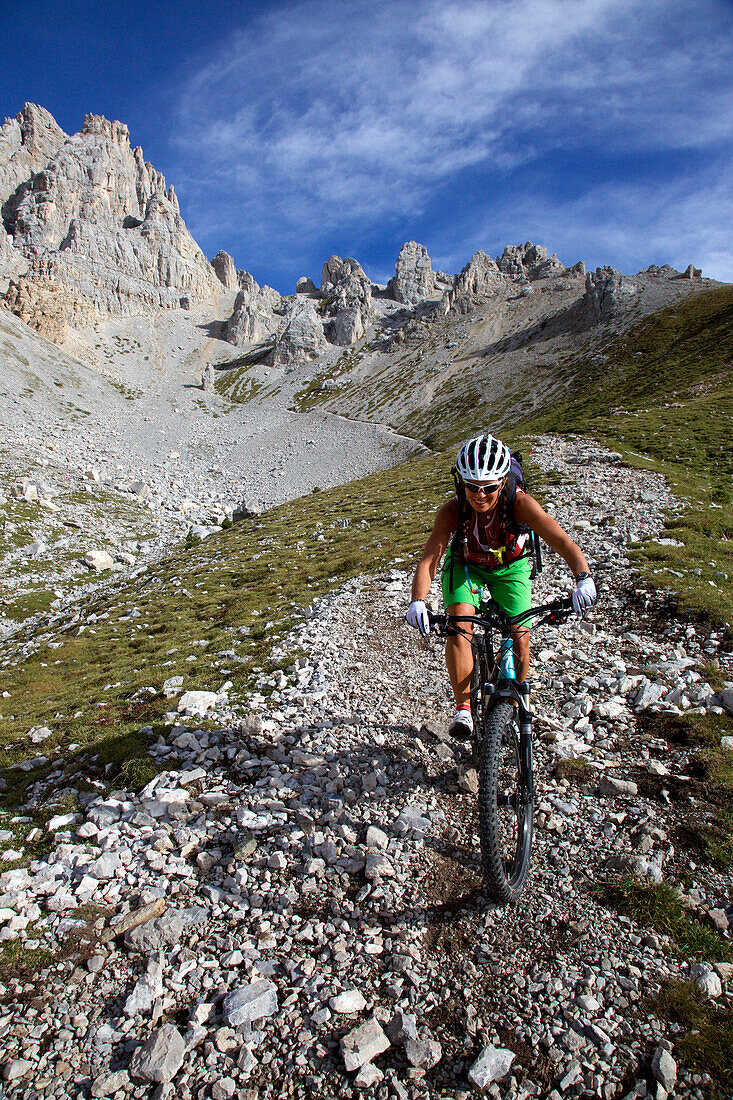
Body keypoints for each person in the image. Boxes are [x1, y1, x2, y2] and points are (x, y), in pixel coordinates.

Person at [406, 432, 597, 738]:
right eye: (471, 487)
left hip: (511, 567)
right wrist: (418, 600)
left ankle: (520, 701)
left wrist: (583, 578)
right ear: (460, 483)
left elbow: (561, 540)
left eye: (489, 488)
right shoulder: (453, 510)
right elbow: (430, 559)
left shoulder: (520, 504)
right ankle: (464, 709)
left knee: (521, 637)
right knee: (459, 626)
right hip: (466, 564)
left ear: (503, 482)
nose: (479, 495)